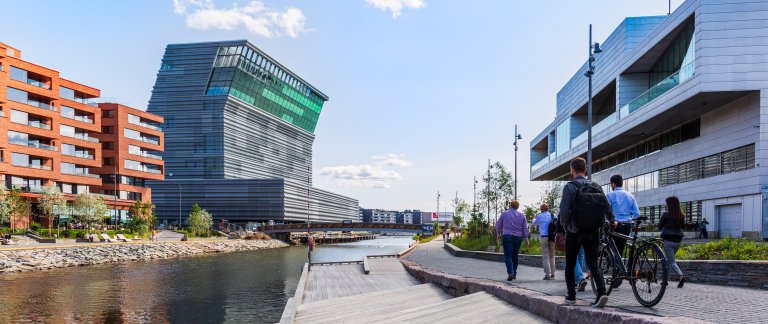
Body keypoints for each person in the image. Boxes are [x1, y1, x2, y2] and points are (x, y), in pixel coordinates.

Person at [559, 157, 614, 308]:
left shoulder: (570, 187)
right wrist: (612, 219)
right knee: (593, 264)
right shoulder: (596, 186)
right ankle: (602, 293)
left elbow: (564, 211)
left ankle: (571, 296)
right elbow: (607, 207)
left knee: (570, 264)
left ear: (572, 170)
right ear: (585, 169)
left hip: (574, 231)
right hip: (593, 230)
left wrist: (566, 226)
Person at [606, 174, 640, 256]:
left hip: (614, 225)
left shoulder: (610, 195)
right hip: (627, 226)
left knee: (608, 248)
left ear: (613, 184)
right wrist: (629, 216)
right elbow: (637, 214)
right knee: (620, 249)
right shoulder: (630, 196)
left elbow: (606, 211)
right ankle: (619, 267)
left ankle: (613, 266)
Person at [496, 199, 529, 281]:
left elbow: (498, 225)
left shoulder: (504, 214)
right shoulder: (522, 215)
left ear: (510, 205)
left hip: (507, 236)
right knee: (515, 255)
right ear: (518, 206)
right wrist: (526, 238)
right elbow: (525, 228)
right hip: (518, 237)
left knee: (508, 255)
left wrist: (498, 233)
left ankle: (510, 272)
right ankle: (514, 273)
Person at [659, 196, 687, 288]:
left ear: (669, 204)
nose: (666, 205)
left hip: (668, 241)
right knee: (668, 261)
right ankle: (665, 281)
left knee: (671, 261)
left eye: (666, 203)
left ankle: (681, 276)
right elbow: (682, 227)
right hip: (678, 242)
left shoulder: (666, 214)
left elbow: (659, 226)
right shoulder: (682, 215)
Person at [532, 203, 556, 280]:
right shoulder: (553, 215)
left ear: (541, 209)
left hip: (544, 237)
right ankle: (553, 274)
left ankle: (547, 275)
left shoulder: (540, 216)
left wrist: (533, 217)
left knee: (545, 257)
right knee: (552, 256)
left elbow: (534, 223)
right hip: (552, 238)